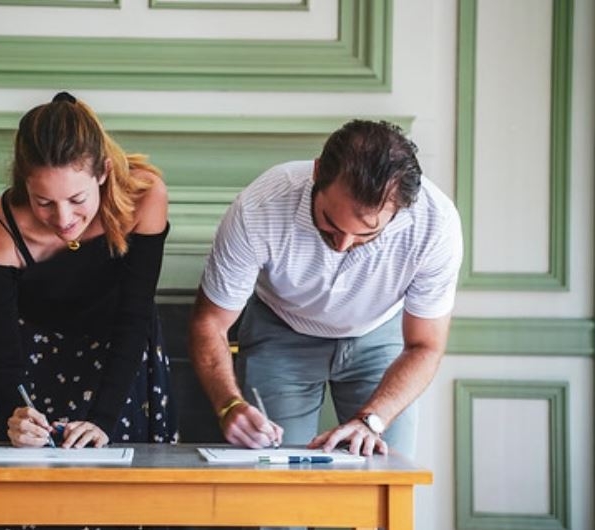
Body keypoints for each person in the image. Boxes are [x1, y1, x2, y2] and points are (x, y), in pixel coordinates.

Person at [189, 119, 462, 458]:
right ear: (317, 172)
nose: (343, 244)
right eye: (330, 223)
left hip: (379, 337)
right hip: (281, 333)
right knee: (275, 476)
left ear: (401, 210)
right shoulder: (261, 205)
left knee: (384, 473)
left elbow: (425, 345)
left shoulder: (436, 225)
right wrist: (228, 404)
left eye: (366, 234)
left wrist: (372, 421)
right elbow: (210, 322)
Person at [0, 91, 177, 449]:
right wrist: (16, 414)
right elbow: (1, 353)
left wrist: (102, 420)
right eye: (44, 202)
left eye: (77, 200)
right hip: (36, 354)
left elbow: (135, 314)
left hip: (121, 347)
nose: (63, 219)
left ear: (103, 172)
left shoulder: (143, 196)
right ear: (24, 185)